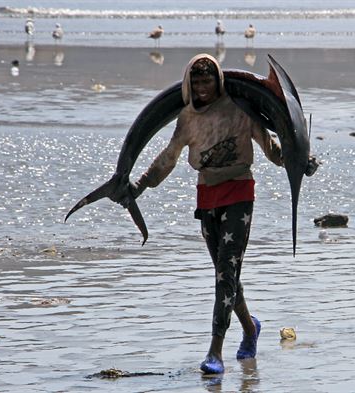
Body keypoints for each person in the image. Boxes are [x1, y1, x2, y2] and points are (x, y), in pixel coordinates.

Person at [121, 53, 317, 374]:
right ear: (189, 83)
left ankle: (215, 352)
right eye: (196, 82)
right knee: (228, 278)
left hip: (239, 192)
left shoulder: (241, 109)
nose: (202, 87)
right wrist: (138, 186)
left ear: (218, 80)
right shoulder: (187, 118)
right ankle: (251, 328)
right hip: (207, 197)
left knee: (226, 274)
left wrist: (301, 161)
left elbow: (272, 151)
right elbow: (168, 158)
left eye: (207, 81)